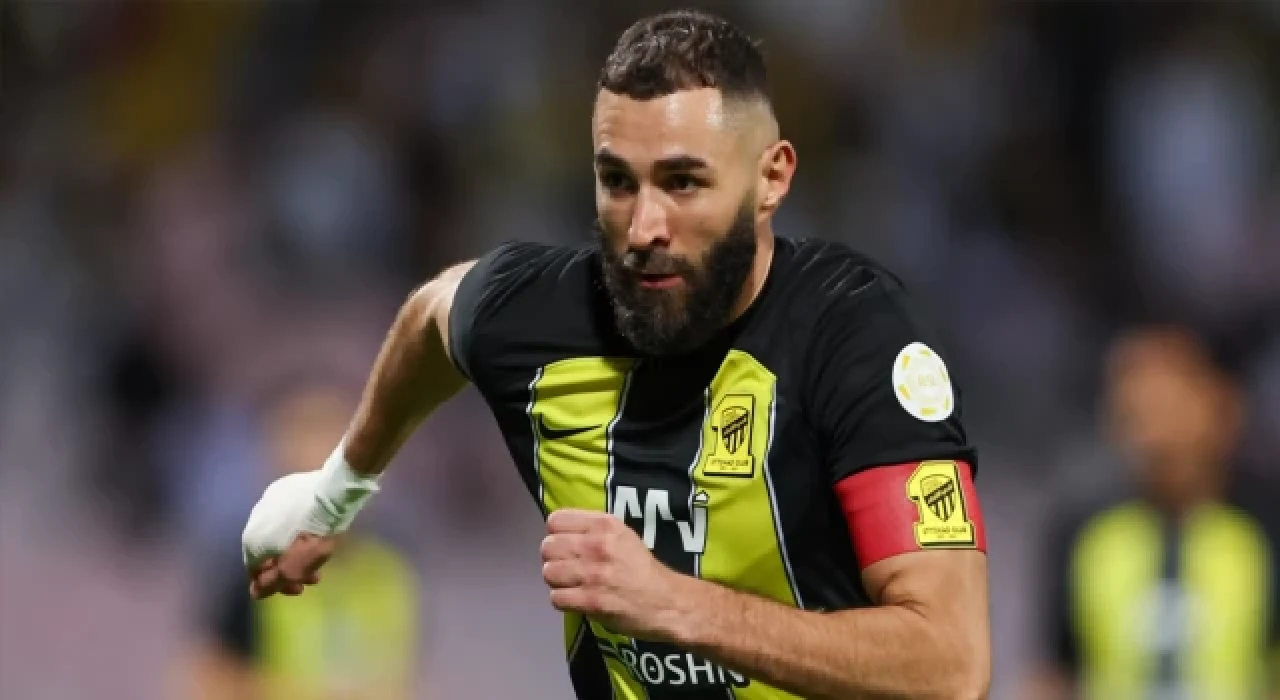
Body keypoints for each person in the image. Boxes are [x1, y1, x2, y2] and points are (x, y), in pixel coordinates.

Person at [241, 10, 992, 699]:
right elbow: (433, 316)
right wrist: (336, 491)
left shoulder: (853, 340)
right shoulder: (536, 319)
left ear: (771, 179)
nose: (643, 227)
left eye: (683, 182)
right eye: (617, 182)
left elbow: (951, 663)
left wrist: (677, 604)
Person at [1028, 325, 1279, 700]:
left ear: (1223, 407)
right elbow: (1055, 671)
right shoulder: (1085, 528)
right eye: (1135, 414)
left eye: (1169, 407)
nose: (1153, 437)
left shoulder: (1264, 528)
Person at [194, 380, 422, 699]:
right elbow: (209, 679)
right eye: (303, 436)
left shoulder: (393, 568)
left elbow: (405, 675)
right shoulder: (247, 568)